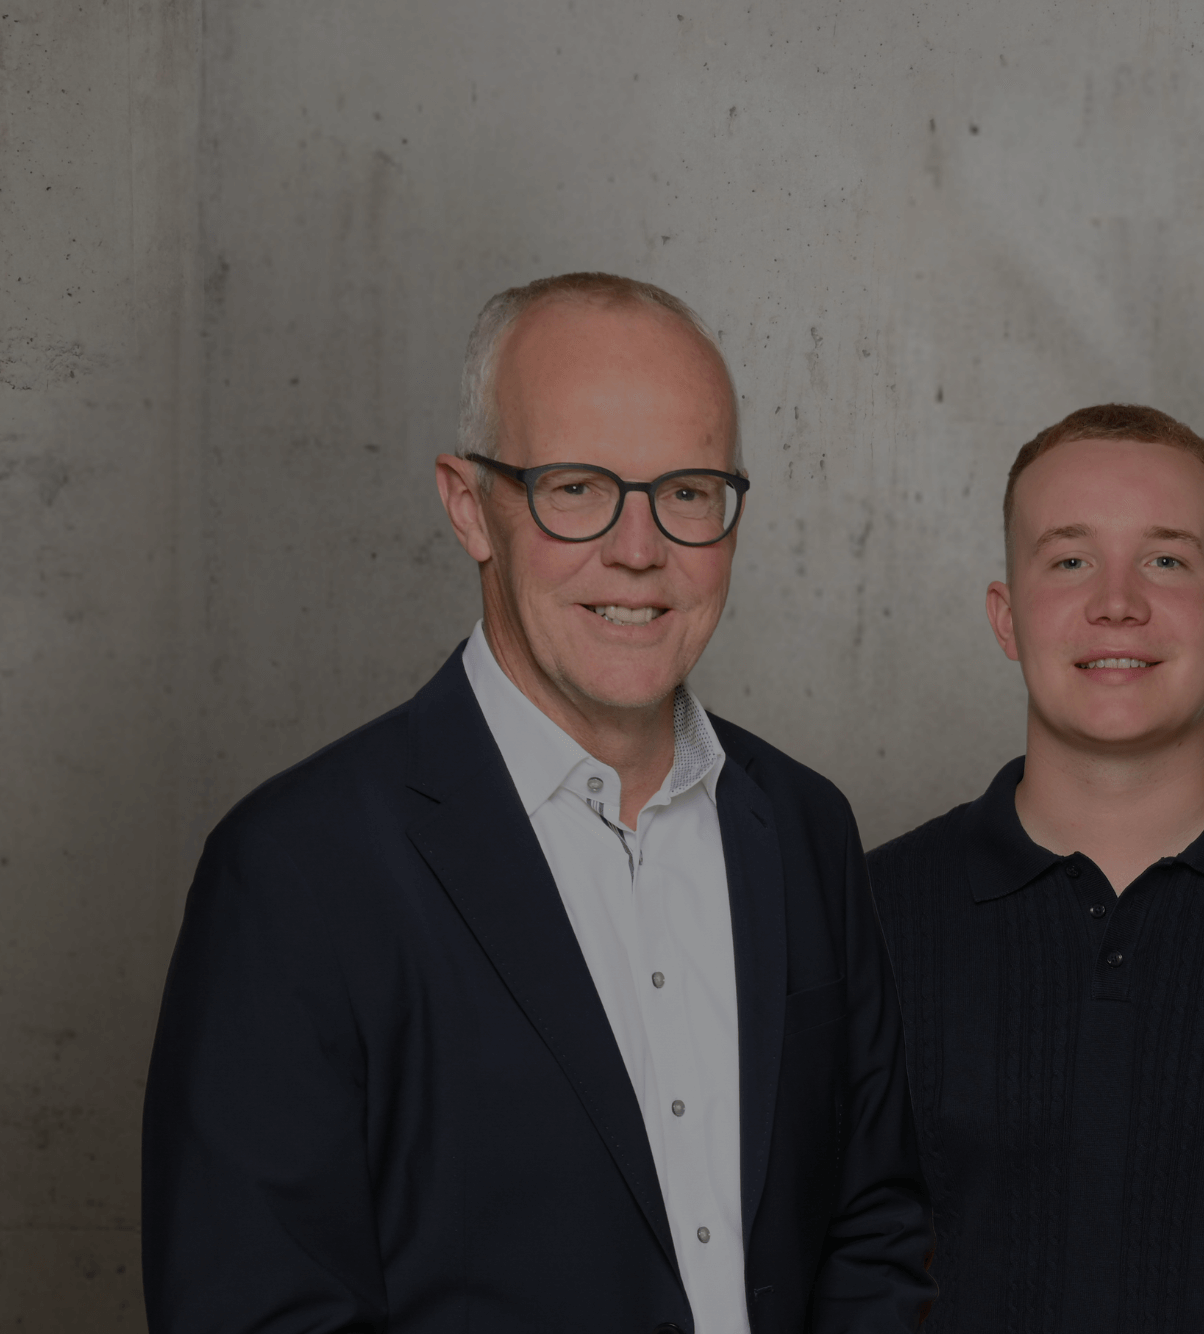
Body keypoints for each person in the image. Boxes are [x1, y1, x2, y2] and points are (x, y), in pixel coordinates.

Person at [142, 272, 932, 1334]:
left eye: (688, 489)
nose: (640, 548)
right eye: (576, 487)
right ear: (470, 504)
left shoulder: (802, 827)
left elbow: (872, 1223)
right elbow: (257, 1306)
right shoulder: (296, 868)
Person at [867, 404, 1204, 1332]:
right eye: (1070, 559)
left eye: (1165, 558)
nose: (1117, 601)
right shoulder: (871, 912)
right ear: (1006, 616)